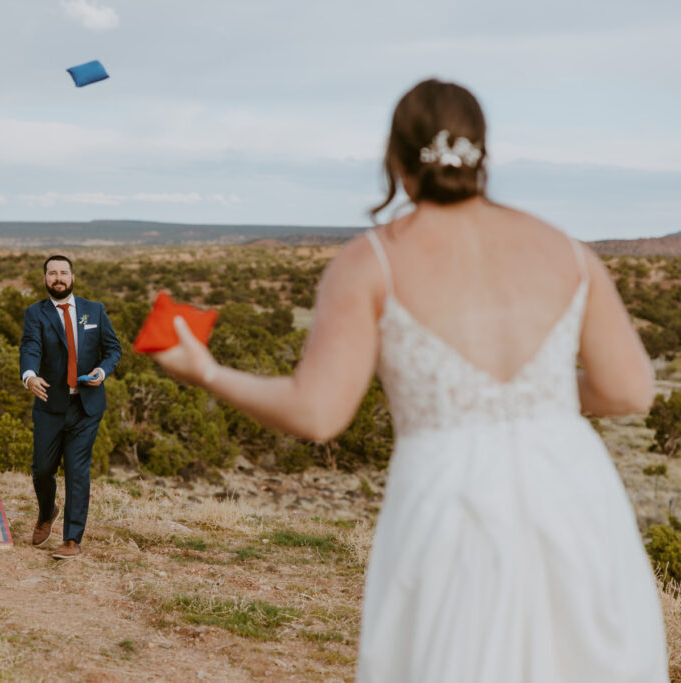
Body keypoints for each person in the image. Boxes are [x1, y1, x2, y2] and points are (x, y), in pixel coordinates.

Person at [153, 79, 668, 682]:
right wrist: (536, 401)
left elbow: (318, 414)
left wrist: (207, 371)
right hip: (574, 492)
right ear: (484, 152)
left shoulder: (370, 260)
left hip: (450, 497)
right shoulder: (569, 252)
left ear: (394, 159)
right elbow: (630, 390)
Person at [20, 254, 121, 559]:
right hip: (50, 404)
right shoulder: (35, 313)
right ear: (45, 279)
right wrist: (29, 376)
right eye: (53, 274)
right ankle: (47, 510)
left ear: (72, 277)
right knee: (42, 469)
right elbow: (30, 346)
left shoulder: (95, 310)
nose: (58, 278)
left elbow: (112, 349)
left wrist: (102, 372)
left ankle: (71, 539)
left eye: (64, 272)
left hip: (86, 407)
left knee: (77, 472)